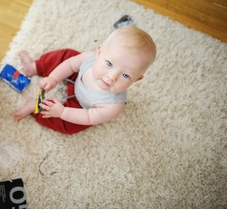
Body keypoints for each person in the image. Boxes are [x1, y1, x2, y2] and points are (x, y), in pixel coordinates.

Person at [13, 26, 156, 135]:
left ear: (137, 79)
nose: (111, 77)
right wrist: (53, 78)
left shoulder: (113, 105)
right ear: (99, 53)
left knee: (69, 126)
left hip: (82, 106)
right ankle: (35, 67)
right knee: (67, 56)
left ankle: (35, 108)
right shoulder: (89, 59)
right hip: (77, 78)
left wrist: (62, 112)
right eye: (109, 64)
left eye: (125, 75)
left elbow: (89, 117)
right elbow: (69, 65)